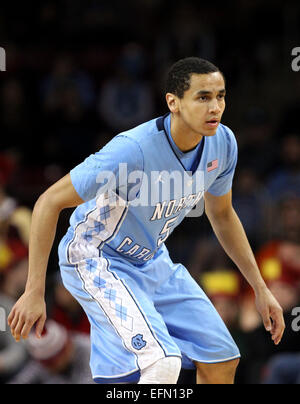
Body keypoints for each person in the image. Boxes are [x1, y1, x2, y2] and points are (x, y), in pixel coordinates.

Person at [8, 57, 285, 384]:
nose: (215, 107)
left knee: (222, 358)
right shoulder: (132, 149)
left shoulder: (223, 144)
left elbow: (222, 215)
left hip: (151, 258)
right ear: (174, 102)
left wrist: (260, 287)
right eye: (203, 97)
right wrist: (34, 291)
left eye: (220, 96)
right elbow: (48, 202)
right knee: (162, 364)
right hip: (95, 254)